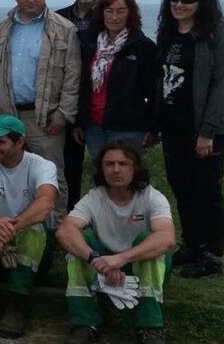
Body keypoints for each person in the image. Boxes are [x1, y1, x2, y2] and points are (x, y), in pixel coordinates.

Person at [155, 0, 224, 279]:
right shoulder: (168, 33)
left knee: (207, 192)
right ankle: (191, 244)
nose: (179, 4)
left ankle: (212, 255)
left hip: (205, 130)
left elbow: (222, 84)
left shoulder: (215, 35)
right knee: (183, 189)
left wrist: (207, 132)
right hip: (173, 128)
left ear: (202, 3)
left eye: (187, 0)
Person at [57, 141, 174, 344]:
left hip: (136, 263)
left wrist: (121, 259)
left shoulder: (152, 197)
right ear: (101, 169)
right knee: (78, 240)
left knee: (149, 241)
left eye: (123, 163)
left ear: (135, 167)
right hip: (103, 264)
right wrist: (95, 259)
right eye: (109, 164)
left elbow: (167, 238)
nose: (116, 169)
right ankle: (85, 324)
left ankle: (150, 328)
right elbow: (65, 230)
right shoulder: (94, 197)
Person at [0, 0, 80, 225]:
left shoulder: (64, 29)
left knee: (50, 175)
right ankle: (20, 226)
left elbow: (73, 76)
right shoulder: (2, 29)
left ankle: (56, 229)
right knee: (12, 173)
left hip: (44, 117)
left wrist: (63, 115)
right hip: (9, 114)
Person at [0, 115, 58, 338]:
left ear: (19, 142)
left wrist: (7, 231)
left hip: (29, 247)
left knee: (35, 229)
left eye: (0, 142)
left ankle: (17, 303)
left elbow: (46, 203)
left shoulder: (42, 166)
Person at [76, 0, 158, 159]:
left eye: (120, 11)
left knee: (125, 171)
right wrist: (78, 121)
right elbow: (80, 84)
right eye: (109, 11)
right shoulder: (89, 43)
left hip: (128, 126)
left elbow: (154, 91)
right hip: (93, 125)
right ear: (101, 13)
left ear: (130, 14)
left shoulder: (143, 47)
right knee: (101, 170)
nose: (114, 17)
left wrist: (153, 128)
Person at [58, 0, 106, 211]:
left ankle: (108, 217)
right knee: (69, 168)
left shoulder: (113, 15)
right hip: (67, 104)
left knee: (107, 167)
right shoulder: (59, 18)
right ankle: (71, 217)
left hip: (102, 105)